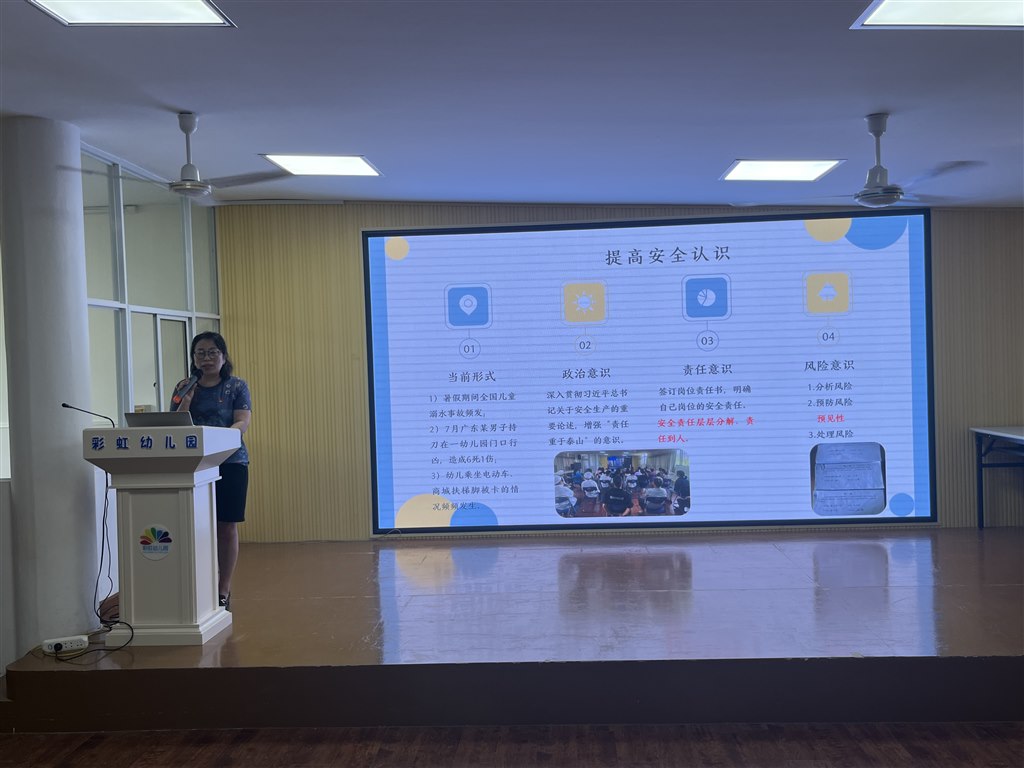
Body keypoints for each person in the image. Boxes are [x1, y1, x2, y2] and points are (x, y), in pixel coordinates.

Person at [171, 332, 252, 611]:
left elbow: (242, 422)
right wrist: (186, 401)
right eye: (200, 353)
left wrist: (221, 438)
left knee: (226, 526)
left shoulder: (236, 386)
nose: (206, 358)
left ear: (223, 356)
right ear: (193, 358)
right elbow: (175, 425)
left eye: (212, 352)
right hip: (194, 463)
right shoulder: (184, 386)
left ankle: (223, 588)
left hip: (231, 461)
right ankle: (197, 585)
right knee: (194, 526)